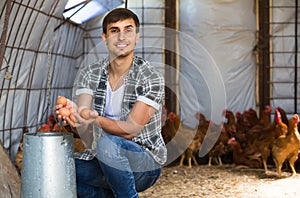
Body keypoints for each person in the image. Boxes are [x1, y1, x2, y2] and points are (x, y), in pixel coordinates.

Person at [56, 8, 167, 197]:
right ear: (104, 37)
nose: (121, 37)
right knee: (60, 169)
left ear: (137, 36)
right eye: (114, 30)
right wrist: (74, 116)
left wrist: (94, 119)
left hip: (144, 163)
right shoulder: (90, 74)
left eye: (128, 29)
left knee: (109, 144)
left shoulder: (151, 77)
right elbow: (84, 124)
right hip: (102, 160)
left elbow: (131, 130)